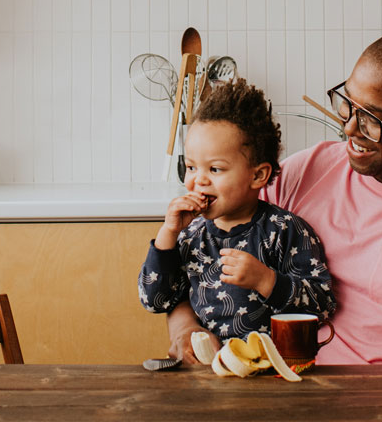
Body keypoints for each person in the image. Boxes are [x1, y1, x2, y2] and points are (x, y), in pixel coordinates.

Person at [167, 29, 382, 364]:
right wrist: (185, 327)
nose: (349, 128)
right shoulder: (308, 169)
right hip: (278, 384)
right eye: (347, 104)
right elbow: (193, 262)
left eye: (373, 119)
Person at [139, 79, 335, 341]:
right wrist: (168, 234)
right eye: (191, 167)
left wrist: (267, 281)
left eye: (215, 169)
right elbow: (156, 301)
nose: (199, 180)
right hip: (208, 370)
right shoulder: (190, 235)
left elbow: (322, 305)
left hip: (273, 370)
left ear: (258, 176)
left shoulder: (285, 230)